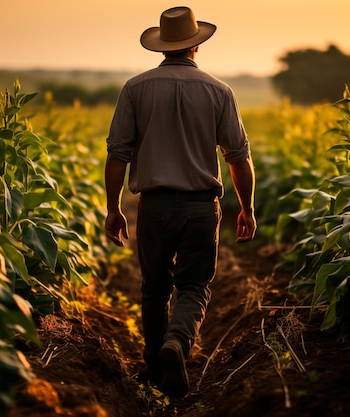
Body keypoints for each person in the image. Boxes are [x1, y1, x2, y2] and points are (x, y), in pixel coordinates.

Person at [104, 6, 256, 398]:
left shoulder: (135, 88)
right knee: (194, 285)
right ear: (196, 47)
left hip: (152, 207)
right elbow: (238, 157)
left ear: (162, 47)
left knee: (154, 287)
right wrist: (247, 208)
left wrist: (113, 208)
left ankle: (154, 365)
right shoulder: (219, 91)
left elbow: (118, 154)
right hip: (201, 208)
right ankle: (178, 342)